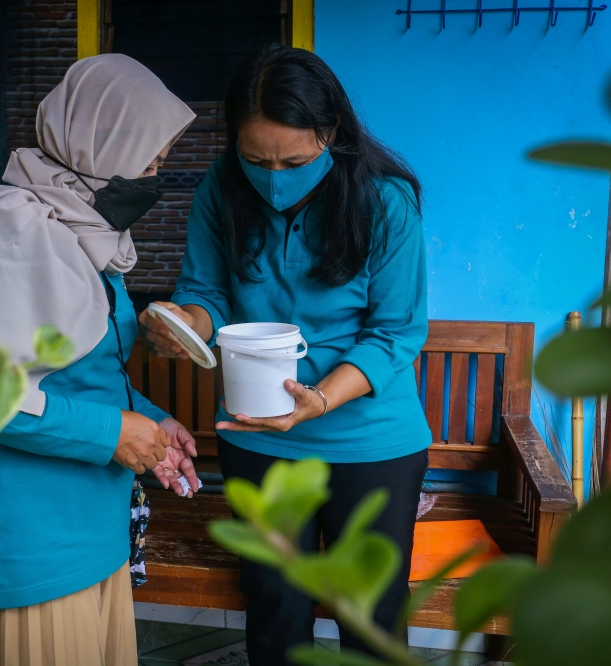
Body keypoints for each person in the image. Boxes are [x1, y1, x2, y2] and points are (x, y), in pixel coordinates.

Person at [139, 43, 431, 664]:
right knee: (274, 601)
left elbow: (396, 333)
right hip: (258, 433)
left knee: (371, 612)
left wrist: (320, 401)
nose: (273, 178)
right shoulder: (220, 189)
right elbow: (207, 292)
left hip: (371, 439)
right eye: (255, 159)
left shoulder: (384, 200)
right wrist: (184, 321)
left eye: (295, 160)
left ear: (332, 134)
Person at [0, 54, 200, 666]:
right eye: (147, 154)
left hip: (91, 523)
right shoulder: (13, 229)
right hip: (31, 540)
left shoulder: (84, 229)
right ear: (96, 141)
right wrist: (114, 434)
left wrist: (151, 421)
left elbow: (86, 369)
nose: (157, 171)